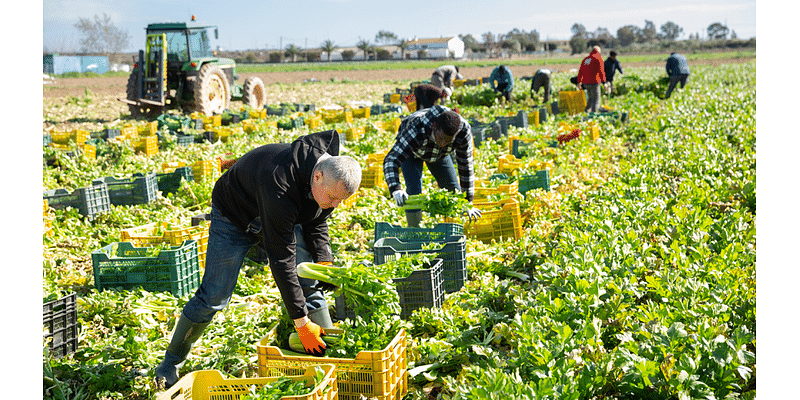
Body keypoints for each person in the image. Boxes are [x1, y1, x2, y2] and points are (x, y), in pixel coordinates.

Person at [154, 130, 361, 389]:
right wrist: (300, 322)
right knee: (214, 296)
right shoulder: (279, 184)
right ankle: (171, 362)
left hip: (280, 214)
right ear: (317, 176)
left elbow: (316, 222)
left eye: (340, 201)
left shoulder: (328, 179)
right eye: (331, 198)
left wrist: (324, 260)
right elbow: (282, 258)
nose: (333, 205)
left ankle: (329, 359)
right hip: (235, 216)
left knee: (310, 280)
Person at [383, 105, 482, 228]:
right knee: (414, 192)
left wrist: (467, 201)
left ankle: (452, 229)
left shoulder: (463, 132)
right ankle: (415, 231)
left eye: (448, 141)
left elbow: (466, 165)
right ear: (435, 127)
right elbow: (391, 159)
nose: (443, 143)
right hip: (413, 153)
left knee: (454, 191)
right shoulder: (416, 129)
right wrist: (395, 188)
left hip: (439, 155)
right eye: (441, 138)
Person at [577, 46, 606, 113]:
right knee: (596, 100)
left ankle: (586, 111)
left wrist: (579, 81)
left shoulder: (586, 59)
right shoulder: (598, 58)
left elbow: (581, 71)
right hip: (594, 82)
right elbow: (601, 72)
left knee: (590, 98)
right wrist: (604, 82)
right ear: (598, 51)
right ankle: (594, 114)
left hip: (586, 83)